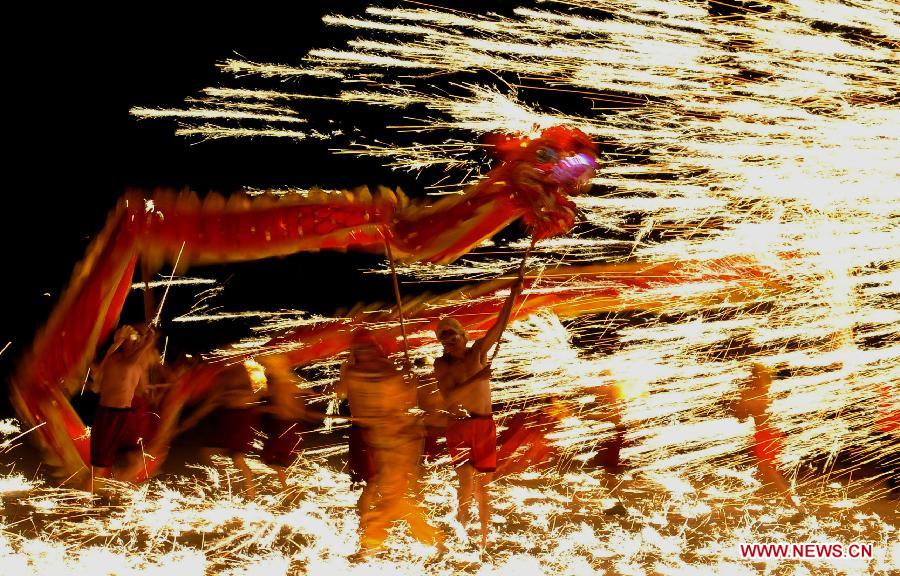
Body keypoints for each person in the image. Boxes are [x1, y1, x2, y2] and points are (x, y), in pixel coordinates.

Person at [334, 329, 444, 558]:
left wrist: (408, 383)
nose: (364, 353)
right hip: (380, 438)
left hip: (400, 437)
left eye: (367, 347)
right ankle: (432, 539)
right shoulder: (357, 372)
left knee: (392, 492)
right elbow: (343, 395)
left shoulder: (384, 370)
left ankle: (372, 542)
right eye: (359, 349)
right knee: (393, 493)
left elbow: (402, 402)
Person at [433, 274, 524, 547]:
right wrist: (478, 379)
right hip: (459, 425)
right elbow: (450, 399)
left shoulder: (477, 353)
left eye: (452, 337)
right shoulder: (442, 365)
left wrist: (513, 295)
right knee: (465, 482)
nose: (448, 342)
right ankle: (461, 531)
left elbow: (500, 325)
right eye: (443, 339)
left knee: (484, 485)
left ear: (464, 336)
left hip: (484, 425)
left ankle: (484, 538)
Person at [89, 324, 159, 489]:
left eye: (138, 340)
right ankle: (84, 500)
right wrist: (149, 342)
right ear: (122, 342)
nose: (136, 343)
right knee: (98, 470)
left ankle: (115, 490)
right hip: (108, 417)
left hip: (126, 417)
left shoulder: (137, 365)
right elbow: (129, 362)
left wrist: (155, 392)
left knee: (137, 459)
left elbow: (142, 389)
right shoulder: (116, 359)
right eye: (132, 340)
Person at [179, 360, 261, 499]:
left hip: (239, 426)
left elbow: (247, 398)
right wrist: (191, 419)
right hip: (227, 426)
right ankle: (226, 484)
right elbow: (212, 402)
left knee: (237, 459)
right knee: (207, 452)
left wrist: (229, 397)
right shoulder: (225, 378)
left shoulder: (240, 383)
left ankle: (250, 495)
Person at [731, 363, 805, 515]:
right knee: (768, 472)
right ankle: (791, 502)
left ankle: (798, 507)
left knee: (771, 473)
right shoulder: (768, 393)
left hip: (765, 436)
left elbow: (740, 417)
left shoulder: (749, 395)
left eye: (751, 374)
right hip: (774, 434)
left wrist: (736, 403)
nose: (749, 376)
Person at [258, 356, 324, 489]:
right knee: (272, 460)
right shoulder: (286, 384)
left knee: (274, 460)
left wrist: (262, 408)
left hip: (287, 427)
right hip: (285, 426)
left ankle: (287, 489)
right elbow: (302, 394)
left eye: (267, 370)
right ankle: (286, 487)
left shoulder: (281, 385)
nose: (265, 373)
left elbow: (283, 407)